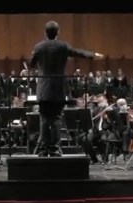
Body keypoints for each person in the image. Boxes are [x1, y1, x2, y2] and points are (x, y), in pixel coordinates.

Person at [29, 20, 103, 157]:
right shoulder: (63, 46)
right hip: (58, 88)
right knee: (57, 118)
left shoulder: (39, 47)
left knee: (44, 119)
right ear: (58, 32)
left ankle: (44, 149)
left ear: (46, 32)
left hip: (43, 88)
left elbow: (31, 64)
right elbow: (77, 53)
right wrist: (93, 55)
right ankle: (55, 149)